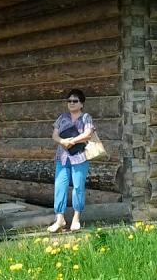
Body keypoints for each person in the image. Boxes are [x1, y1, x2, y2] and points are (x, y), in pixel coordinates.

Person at [48, 89, 94, 232]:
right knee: (60, 187)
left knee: (78, 187)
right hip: (62, 158)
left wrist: (72, 141)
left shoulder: (86, 117)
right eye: (69, 101)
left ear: (81, 103)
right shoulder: (62, 117)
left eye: (75, 101)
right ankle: (60, 219)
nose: (71, 103)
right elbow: (54, 135)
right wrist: (62, 141)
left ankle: (76, 218)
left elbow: (88, 134)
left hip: (79, 157)